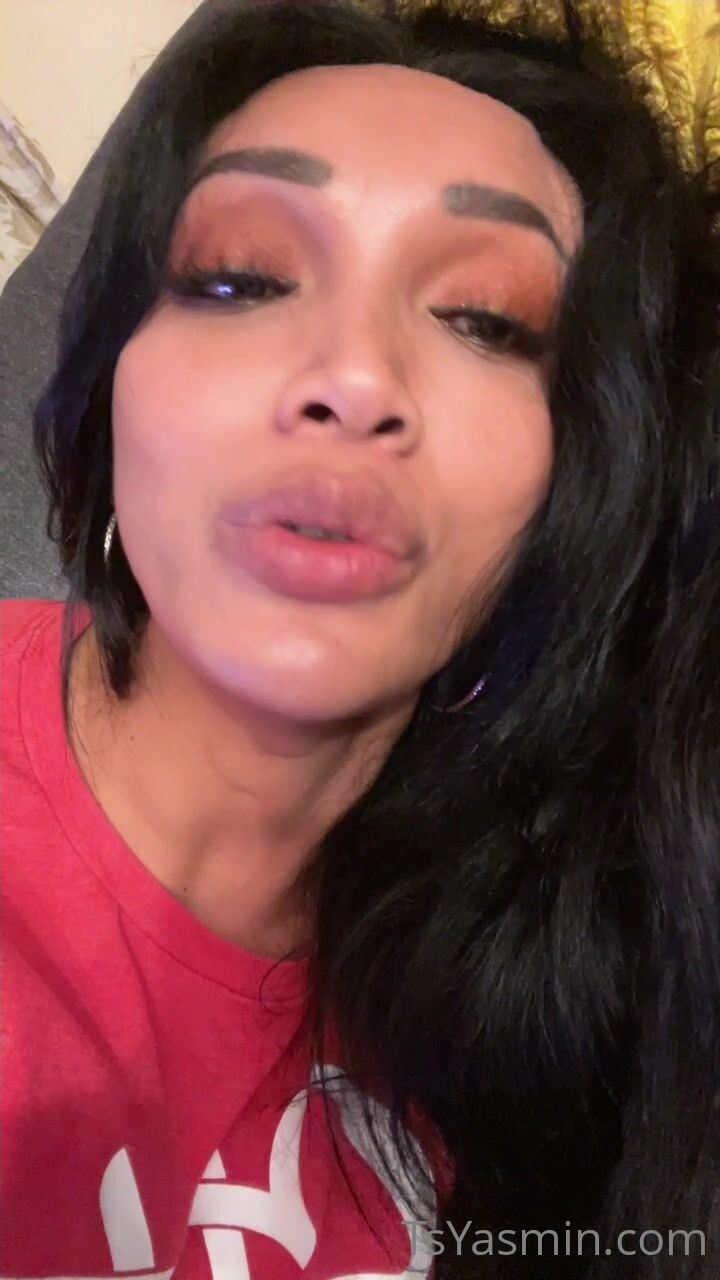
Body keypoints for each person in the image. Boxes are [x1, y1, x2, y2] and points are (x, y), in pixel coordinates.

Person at [2, 1, 719, 1276]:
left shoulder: (545, 992)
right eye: (241, 276)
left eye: (486, 318)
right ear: (109, 387)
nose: (355, 375)